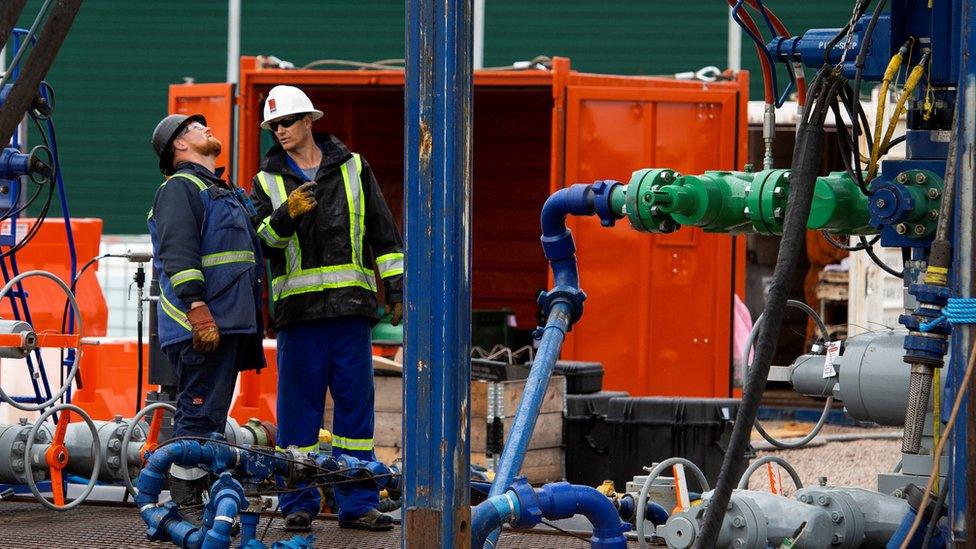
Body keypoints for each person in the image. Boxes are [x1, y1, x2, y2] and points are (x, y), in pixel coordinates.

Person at [250, 85, 404, 532]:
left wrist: (396, 289)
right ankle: (298, 502)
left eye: (286, 122)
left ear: (308, 121)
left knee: (356, 413)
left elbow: (385, 235)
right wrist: (285, 216)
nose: (278, 131)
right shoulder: (267, 182)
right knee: (299, 413)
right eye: (272, 125)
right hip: (299, 317)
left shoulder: (355, 168)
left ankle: (357, 503)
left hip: (352, 313)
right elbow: (262, 244)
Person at [148, 114, 265, 521]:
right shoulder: (180, 188)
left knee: (210, 418)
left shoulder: (220, 190)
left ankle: (199, 500)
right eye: (196, 128)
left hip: (227, 323)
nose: (206, 129)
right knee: (196, 417)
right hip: (202, 324)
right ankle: (183, 503)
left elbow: (252, 245)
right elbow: (178, 253)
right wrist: (198, 310)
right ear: (179, 146)